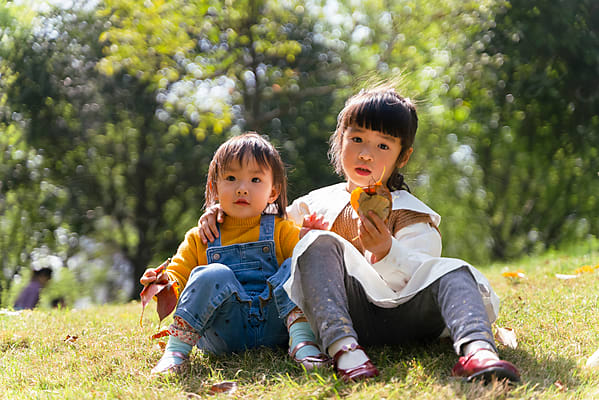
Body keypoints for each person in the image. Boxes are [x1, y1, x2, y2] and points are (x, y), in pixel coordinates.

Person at [199, 86, 520, 383]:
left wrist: (387, 250)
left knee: (455, 270)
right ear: (340, 141)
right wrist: (223, 213)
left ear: (402, 156)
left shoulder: (411, 210)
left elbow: (426, 272)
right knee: (316, 242)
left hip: (410, 316)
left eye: (382, 145)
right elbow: (261, 228)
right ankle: (345, 351)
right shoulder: (316, 202)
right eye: (357, 140)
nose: (366, 153)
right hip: (345, 315)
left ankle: (478, 350)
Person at [140, 133, 329, 376]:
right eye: (231, 178)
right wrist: (162, 282)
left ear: (273, 192)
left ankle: (303, 342)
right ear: (214, 187)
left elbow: (310, 273)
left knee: (297, 263)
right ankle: (175, 352)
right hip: (222, 333)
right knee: (211, 273)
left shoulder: (282, 230)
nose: (242, 189)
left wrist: (312, 241)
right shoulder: (202, 237)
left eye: (255, 179)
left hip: (278, 326)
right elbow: (178, 275)